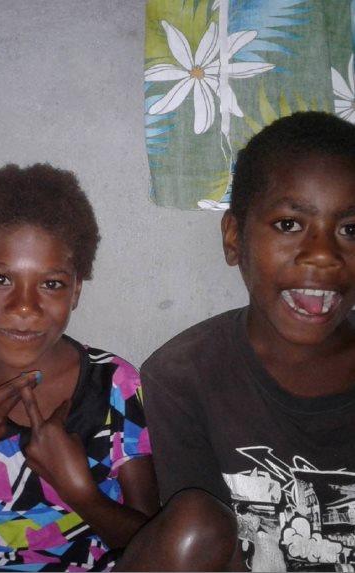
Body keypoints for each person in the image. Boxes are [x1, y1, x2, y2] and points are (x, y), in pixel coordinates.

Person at [0, 163, 160, 571]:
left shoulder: (115, 384)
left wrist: (80, 492)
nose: (24, 307)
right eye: (0, 279)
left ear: (75, 290)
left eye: (51, 284)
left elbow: (155, 549)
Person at [141, 111, 355, 571]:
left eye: (350, 230)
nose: (323, 254)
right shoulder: (182, 376)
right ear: (234, 237)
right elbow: (203, 550)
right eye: (289, 224)